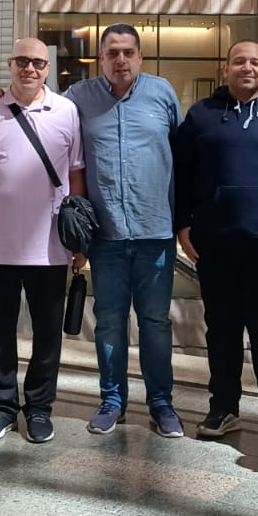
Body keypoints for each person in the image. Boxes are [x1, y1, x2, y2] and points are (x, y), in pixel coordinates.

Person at [175, 39, 258, 453]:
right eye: (238, 62)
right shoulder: (200, 116)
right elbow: (182, 175)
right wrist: (182, 224)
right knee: (221, 330)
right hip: (214, 243)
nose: (246, 68)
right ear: (226, 68)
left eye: (255, 62)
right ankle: (223, 408)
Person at [0, 39, 85, 445]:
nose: (30, 69)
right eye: (23, 61)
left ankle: (40, 408)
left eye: (38, 63)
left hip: (50, 246)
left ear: (48, 68)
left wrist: (79, 237)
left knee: (48, 335)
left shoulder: (66, 111)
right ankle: (2, 408)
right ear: (10, 64)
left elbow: (76, 176)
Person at [66, 25, 184, 438]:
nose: (121, 60)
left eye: (128, 52)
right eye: (112, 53)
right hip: (106, 235)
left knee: (155, 323)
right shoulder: (78, 98)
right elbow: (44, 121)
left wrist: (184, 222)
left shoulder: (162, 93)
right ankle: (112, 401)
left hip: (156, 233)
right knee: (109, 322)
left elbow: (182, 156)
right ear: (100, 58)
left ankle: (161, 404)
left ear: (140, 56)